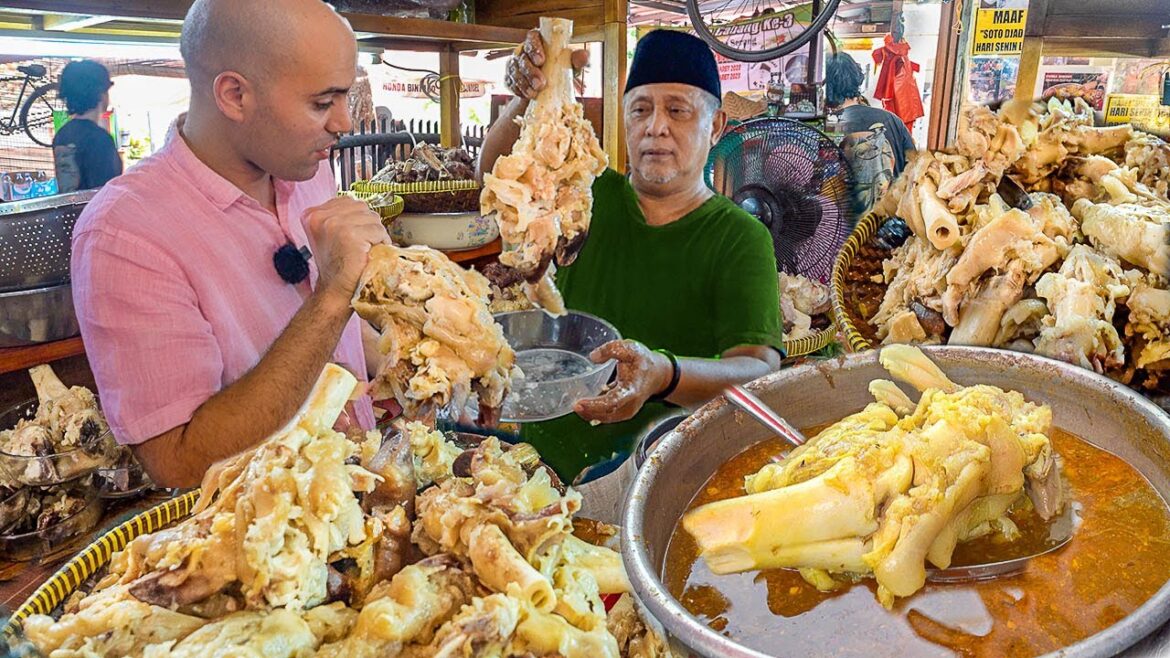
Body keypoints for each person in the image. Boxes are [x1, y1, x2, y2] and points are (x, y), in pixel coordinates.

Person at [71, 0, 390, 488]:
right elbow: (180, 461)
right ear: (235, 95)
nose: (344, 123)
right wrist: (330, 298)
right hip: (263, 545)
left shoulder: (305, 171)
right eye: (323, 103)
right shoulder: (124, 235)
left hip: (363, 497)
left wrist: (399, 358)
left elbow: (339, 338)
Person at [478, 29, 785, 481]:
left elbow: (758, 369)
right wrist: (529, 97)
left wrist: (664, 373)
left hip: (661, 475)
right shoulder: (585, 197)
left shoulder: (740, 237)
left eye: (677, 110)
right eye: (640, 109)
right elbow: (496, 173)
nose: (656, 126)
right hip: (543, 467)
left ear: (716, 126)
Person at [825, 51, 916, 214]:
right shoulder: (892, 121)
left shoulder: (825, 127)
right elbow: (915, 174)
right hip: (890, 227)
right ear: (858, 79)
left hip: (842, 231)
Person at [52, 60, 122, 192]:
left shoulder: (61, 134)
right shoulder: (100, 139)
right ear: (101, 94)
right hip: (97, 210)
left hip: (71, 210)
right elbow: (107, 191)